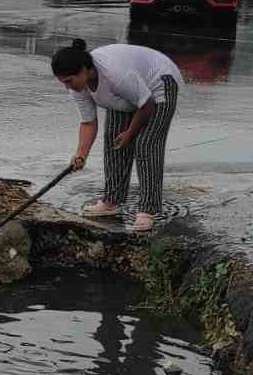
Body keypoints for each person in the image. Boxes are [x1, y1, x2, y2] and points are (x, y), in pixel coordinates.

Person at [51, 39, 182, 233]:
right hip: (129, 94)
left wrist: (130, 134)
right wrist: (81, 155)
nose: (67, 87)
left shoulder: (114, 74)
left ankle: (149, 209)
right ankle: (112, 200)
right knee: (114, 141)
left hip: (158, 84)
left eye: (69, 81)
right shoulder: (77, 87)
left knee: (146, 145)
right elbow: (88, 123)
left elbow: (147, 105)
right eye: (63, 83)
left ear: (83, 70)